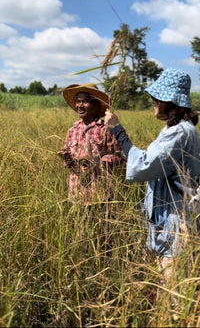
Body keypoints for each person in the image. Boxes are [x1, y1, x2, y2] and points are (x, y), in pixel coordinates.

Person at [105, 68, 200, 291]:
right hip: (173, 220)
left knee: (173, 291)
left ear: (171, 101)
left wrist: (118, 132)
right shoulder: (178, 129)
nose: (153, 102)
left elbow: (144, 164)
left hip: (178, 223)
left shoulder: (179, 132)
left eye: (157, 98)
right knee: (168, 284)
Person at [58, 83, 124, 206]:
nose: (79, 106)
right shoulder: (73, 130)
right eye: (78, 102)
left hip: (99, 195)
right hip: (76, 194)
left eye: (85, 102)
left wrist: (97, 162)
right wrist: (66, 159)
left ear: (96, 105)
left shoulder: (105, 129)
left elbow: (118, 157)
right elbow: (67, 158)